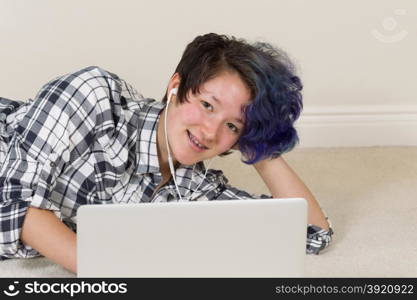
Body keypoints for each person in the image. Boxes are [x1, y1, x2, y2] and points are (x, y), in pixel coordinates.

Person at [0, 33, 333, 274]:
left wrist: (260, 140)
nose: (209, 132)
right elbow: (13, 204)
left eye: (232, 126)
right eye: (206, 105)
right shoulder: (95, 96)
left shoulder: (192, 188)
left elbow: (310, 234)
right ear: (176, 86)